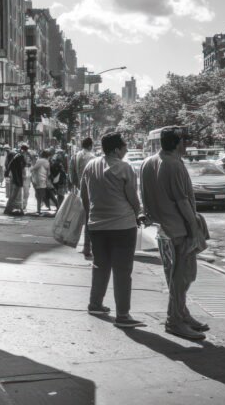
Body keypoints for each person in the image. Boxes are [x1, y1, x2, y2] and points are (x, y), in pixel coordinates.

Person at [140, 127, 208, 340]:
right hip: (178, 228)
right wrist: (194, 227)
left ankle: (182, 314)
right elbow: (182, 200)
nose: (186, 144)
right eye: (184, 140)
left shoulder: (147, 162)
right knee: (183, 276)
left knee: (175, 274)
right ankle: (175, 320)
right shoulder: (173, 164)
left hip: (162, 228)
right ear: (178, 142)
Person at [80, 132, 145, 329]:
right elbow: (133, 198)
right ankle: (123, 315)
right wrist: (139, 213)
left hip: (96, 225)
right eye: (125, 146)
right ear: (116, 149)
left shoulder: (90, 165)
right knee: (123, 270)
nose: (126, 150)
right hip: (122, 226)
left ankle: (95, 303)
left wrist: (93, 214)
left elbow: (84, 196)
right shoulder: (124, 167)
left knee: (100, 265)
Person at [70, 137, 97, 259]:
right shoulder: (92, 157)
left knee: (84, 219)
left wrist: (77, 186)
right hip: (90, 190)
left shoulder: (75, 156)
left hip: (80, 189)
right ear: (91, 145)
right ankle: (88, 247)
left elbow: (71, 174)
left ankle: (85, 246)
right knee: (90, 219)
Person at [4, 148, 25, 215]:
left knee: (13, 196)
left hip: (15, 179)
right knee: (13, 196)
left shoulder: (14, 160)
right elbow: (17, 170)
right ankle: (8, 209)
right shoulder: (18, 159)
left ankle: (9, 209)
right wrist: (18, 181)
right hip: (16, 180)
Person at [30, 150, 52, 215]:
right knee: (42, 195)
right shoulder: (47, 162)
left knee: (38, 196)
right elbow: (49, 173)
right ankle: (42, 208)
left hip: (38, 180)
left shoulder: (39, 161)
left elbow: (34, 168)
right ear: (47, 156)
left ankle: (39, 209)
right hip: (43, 180)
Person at [19, 144, 32, 212]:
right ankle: (23, 205)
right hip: (25, 174)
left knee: (25, 191)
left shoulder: (24, 156)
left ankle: (23, 205)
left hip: (26, 174)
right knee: (24, 191)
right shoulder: (21, 156)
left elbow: (29, 165)